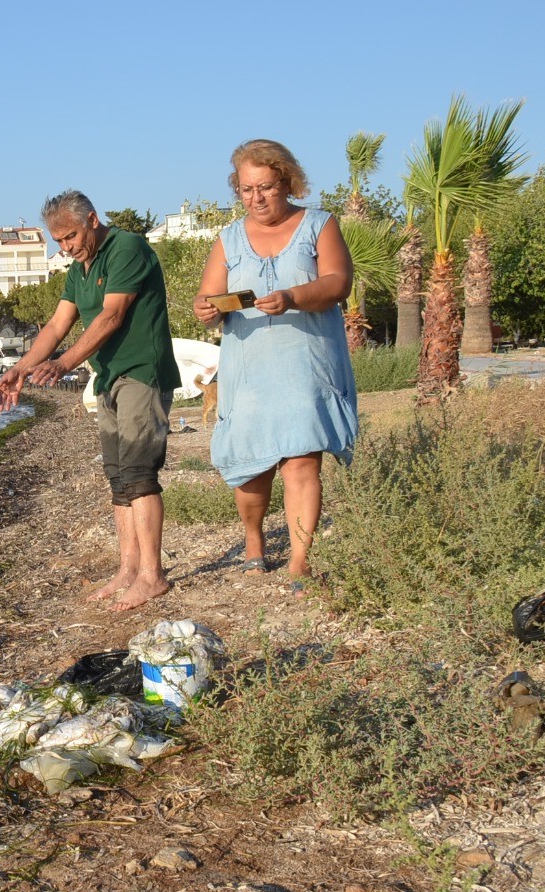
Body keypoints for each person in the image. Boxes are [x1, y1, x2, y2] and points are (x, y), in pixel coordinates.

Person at [0, 189, 181, 611]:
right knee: (118, 480)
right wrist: (20, 369)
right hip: (108, 378)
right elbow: (57, 325)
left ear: (92, 220)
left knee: (139, 474)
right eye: (58, 240)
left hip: (141, 373)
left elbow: (112, 315)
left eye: (70, 236)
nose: (65, 247)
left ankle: (152, 576)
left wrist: (64, 364)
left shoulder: (126, 248)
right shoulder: (78, 269)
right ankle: (128, 570)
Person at [192, 139, 357, 588]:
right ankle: (253, 541)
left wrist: (291, 298)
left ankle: (300, 559)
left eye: (265, 187)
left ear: (287, 182)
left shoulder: (319, 224)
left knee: (302, 462)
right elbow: (205, 296)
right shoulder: (227, 238)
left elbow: (339, 282)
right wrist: (207, 309)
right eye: (246, 190)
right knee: (251, 466)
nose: (256, 198)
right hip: (248, 369)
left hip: (305, 362)